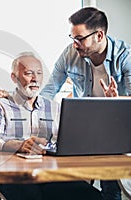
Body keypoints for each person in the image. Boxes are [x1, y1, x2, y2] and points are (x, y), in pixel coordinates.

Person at [40, 7, 130, 199]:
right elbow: (49, 90)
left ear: (99, 35)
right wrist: (32, 111)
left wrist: (117, 101)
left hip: (117, 130)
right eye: (72, 38)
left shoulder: (125, 57)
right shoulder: (70, 54)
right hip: (85, 129)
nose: (75, 44)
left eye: (80, 39)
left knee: (110, 183)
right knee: (66, 179)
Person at [0, 52, 102, 200]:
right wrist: (20, 145)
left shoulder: (54, 107)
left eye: (39, 73)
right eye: (29, 73)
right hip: (13, 176)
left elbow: (63, 142)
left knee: (92, 196)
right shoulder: (1, 105)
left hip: (50, 174)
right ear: (14, 77)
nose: (35, 79)